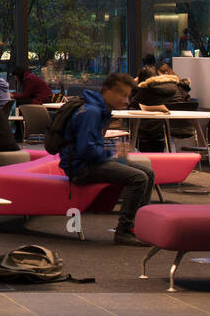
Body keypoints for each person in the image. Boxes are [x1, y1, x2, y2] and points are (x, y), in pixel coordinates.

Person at [55, 73, 155, 246]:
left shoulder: (98, 108)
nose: (126, 101)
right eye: (122, 95)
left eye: (128, 96)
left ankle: (136, 227)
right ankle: (124, 231)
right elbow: (86, 150)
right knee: (139, 178)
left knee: (148, 172)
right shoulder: (92, 112)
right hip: (81, 168)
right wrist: (112, 151)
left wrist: (110, 153)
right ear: (107, 91)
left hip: (90, 162)